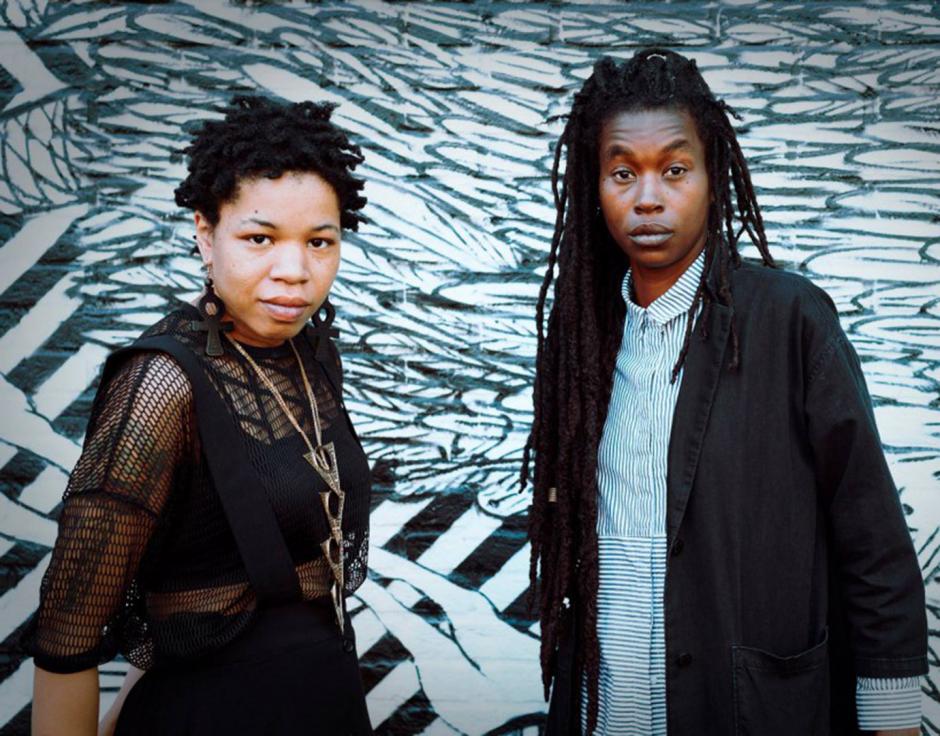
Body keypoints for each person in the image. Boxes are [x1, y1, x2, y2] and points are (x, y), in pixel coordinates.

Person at [522, 49, 927, 736]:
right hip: (607, 711)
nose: (647, 197)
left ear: (711, 178)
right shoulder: (584, 345)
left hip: (749, 712)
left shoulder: (789, 321)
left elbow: (874, 542)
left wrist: (892, 722)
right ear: (596, 187)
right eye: (623, 172)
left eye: (674, 169)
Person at [30, 96, 373, 736]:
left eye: (319, 242)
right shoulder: (161, 384)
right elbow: (68, 631)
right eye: (259, 238)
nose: (294, 271)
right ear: (205, 234)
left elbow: (202, 569)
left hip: (321, 697)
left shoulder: (312, 355)